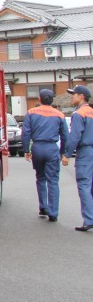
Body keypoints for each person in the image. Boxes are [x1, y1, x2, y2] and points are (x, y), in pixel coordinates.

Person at [22, 88, 67, 222]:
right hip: (52, 147)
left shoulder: (31, 113)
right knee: (53, 180)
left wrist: (26, 150)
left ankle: (43, 207)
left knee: (40, 177)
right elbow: (65, 136)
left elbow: (26, 133)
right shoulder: (60, 115)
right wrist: (62, 152)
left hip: (37, 147)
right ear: (52, 100)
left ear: (39, 99)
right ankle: (53, 213)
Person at [63, 84, 93, 231]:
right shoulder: (92, 112)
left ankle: (89, 219)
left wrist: (67, 154)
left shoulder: (78, 114)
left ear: (81, 96)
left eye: (74, 94)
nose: (72, 97)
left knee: (84, 184)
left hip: (86, 152)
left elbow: (74, 136)